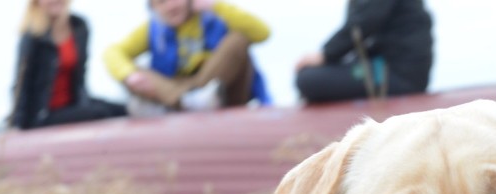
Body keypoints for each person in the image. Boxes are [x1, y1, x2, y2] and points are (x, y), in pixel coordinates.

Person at [103, 0, 271, 116]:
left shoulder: (215, 16)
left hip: (217, 89)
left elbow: (262, 32)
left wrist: (215, 6)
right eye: (161, 2)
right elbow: (112, 52)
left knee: (238, 40)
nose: (170, 6)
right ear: (153, 8)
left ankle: (183, 102)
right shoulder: (153, 28)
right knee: (133, 69)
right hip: (178, 89)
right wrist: (129, 74)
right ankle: (186, 101)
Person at [10, 0, 127, 130]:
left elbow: (80, 79)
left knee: (121, 110)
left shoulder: (79, 27)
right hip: (43, 113)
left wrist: (84, 104)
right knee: (100, 113)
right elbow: (21, 85)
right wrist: (16, 124)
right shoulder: (32, 37)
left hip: (73, 103)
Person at [294, 0, 434, 103]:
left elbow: (363, 23)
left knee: (308, 79)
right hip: (390, 68)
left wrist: (325, 54)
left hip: (395, 74)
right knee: (318, 76)